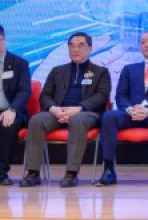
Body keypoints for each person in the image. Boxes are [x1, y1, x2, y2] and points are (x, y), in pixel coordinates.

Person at [20, 32, 111, 188]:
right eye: (72, 46)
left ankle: (71, 173)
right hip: (58, 113)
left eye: (81, 45)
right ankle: (33, 173)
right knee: (36, 121)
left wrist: (79, 109)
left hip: (85, 113)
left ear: (90, 48)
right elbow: (45, 95)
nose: (75, 49)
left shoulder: (100, 72)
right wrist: (54, 109)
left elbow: (102, 96)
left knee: (77, 120)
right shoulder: (57, 71)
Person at [97, 31, 148, 187]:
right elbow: (120, 96)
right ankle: (108, 170)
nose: (146, 45)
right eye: (143, 42)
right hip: (131, 114)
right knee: (109, 116)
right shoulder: (129, 69)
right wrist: (130, 109)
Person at [0, 25, 31, 186]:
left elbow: (24, 91)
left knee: (8, 124)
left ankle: (1, 172)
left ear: (4, 39)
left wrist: (12, 109)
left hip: (13, 110)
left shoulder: (19, 63)